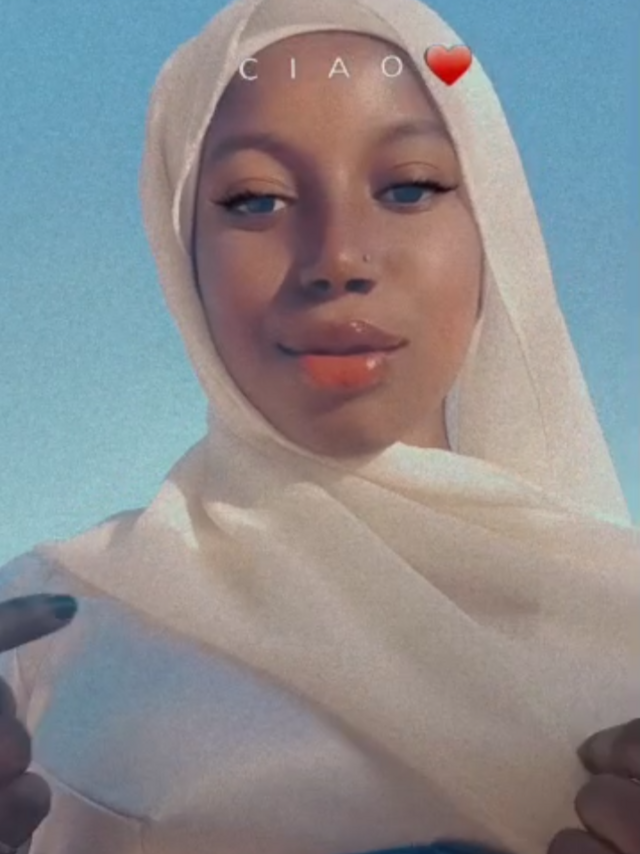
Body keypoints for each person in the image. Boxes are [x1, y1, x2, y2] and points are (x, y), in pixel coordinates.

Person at [0, 0, 638, 851]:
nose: (337, 258)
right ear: (181, 253)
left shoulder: (624, 618)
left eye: (410, 187)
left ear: (496, 230)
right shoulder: (46, 637)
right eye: (257, 200)